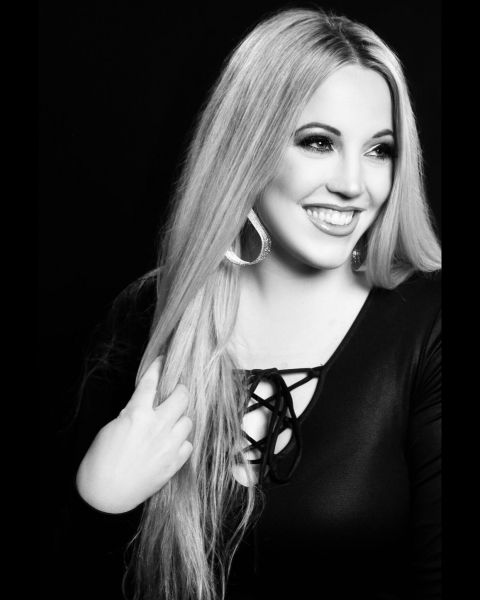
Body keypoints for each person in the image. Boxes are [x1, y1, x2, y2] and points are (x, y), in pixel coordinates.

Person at [67, 6, 441, 600]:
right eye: (318, 142)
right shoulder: (146, 316)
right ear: (248, 148)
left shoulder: (427, 323)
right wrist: (99, 499)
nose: (353, 184)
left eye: (379, 150)